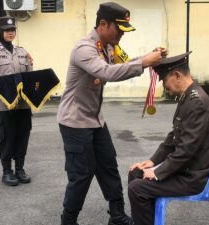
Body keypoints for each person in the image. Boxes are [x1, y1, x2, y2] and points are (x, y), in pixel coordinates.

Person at [56, 2, 166, 225]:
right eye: (120, 30)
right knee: (81, 175)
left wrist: (149, 57)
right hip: (75, 122)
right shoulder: (84, 49)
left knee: (108, 165)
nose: (122, 36)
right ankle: (68, 221)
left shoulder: (108, 47)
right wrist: (145, 62)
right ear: (103, 24)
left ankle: (116, 215)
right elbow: (107, 72)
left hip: (95, 120)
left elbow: (126, 64)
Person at [127, 52, 209, 225]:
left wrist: (156, 172)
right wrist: (152, 161)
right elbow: (174, 137)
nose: (164, 86)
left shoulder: (197, 102)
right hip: (187, 171)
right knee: (135, 173)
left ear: (177, 76)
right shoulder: (187, 97)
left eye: (164, 80)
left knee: (137, 189)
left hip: (195, 178)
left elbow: (185, 151)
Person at [0, 16, 33, 186]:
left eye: (13, 30)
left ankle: (20, 169)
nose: (11, 33)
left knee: (22, 136)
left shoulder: (23, 52)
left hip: (22, 104)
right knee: (7, 138)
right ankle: (7, 171)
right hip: (3, 105)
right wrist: (8, 81)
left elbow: (29, 75)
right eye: (7, 30)